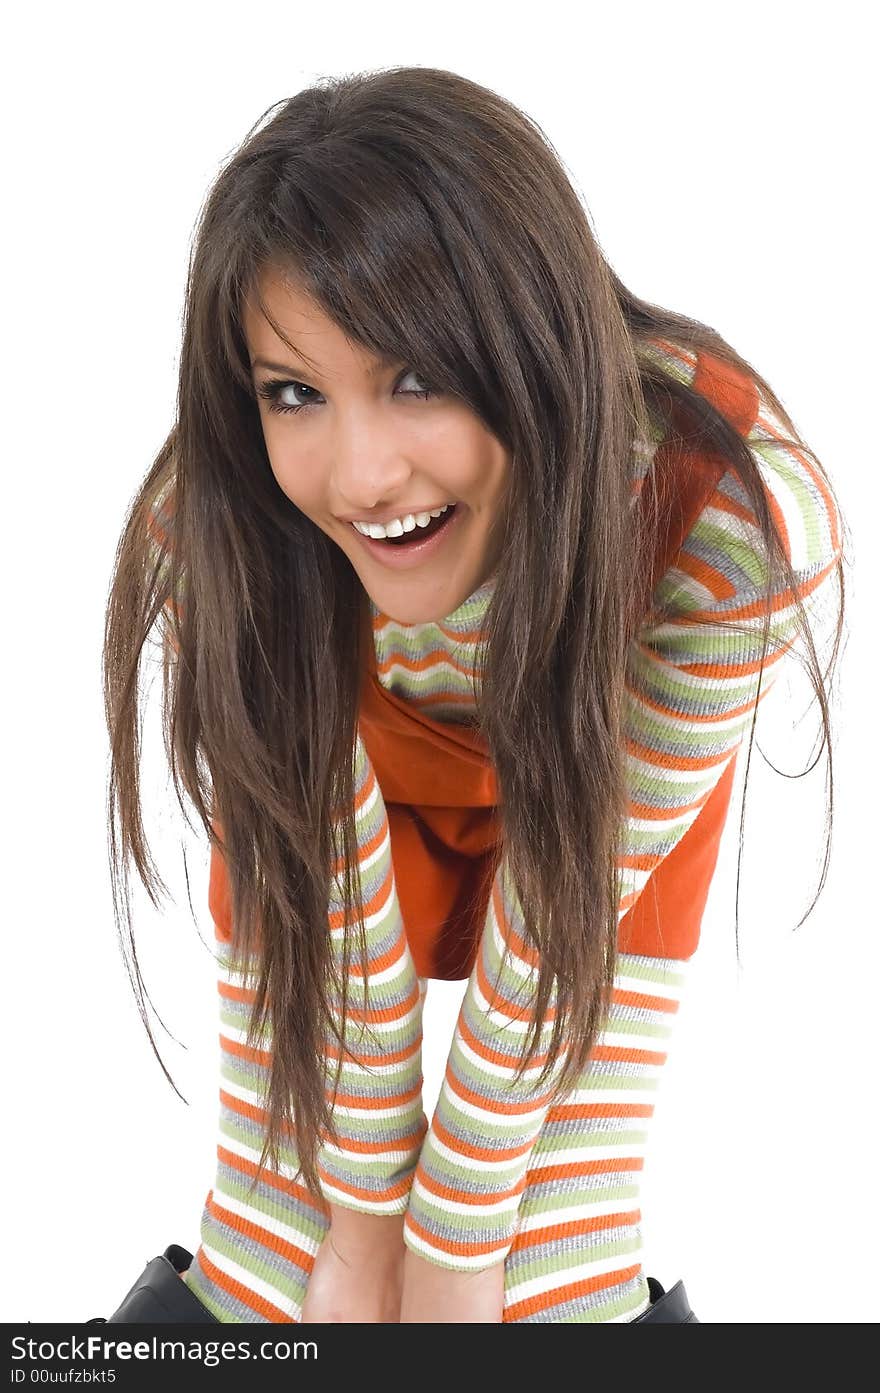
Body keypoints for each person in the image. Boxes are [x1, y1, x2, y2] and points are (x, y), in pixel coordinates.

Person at [102, 65, 846, 1324]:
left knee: (553, 1251)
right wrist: (358, 1215)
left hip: (594, 778)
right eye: (296, 391)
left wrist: (452, 1244)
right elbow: (328, 910)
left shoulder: (730, 512)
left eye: (418, 379)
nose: (358, 472)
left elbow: (570, 907)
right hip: (341, 769)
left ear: (533, 340)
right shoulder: (215, 523)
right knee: (272, 1235)